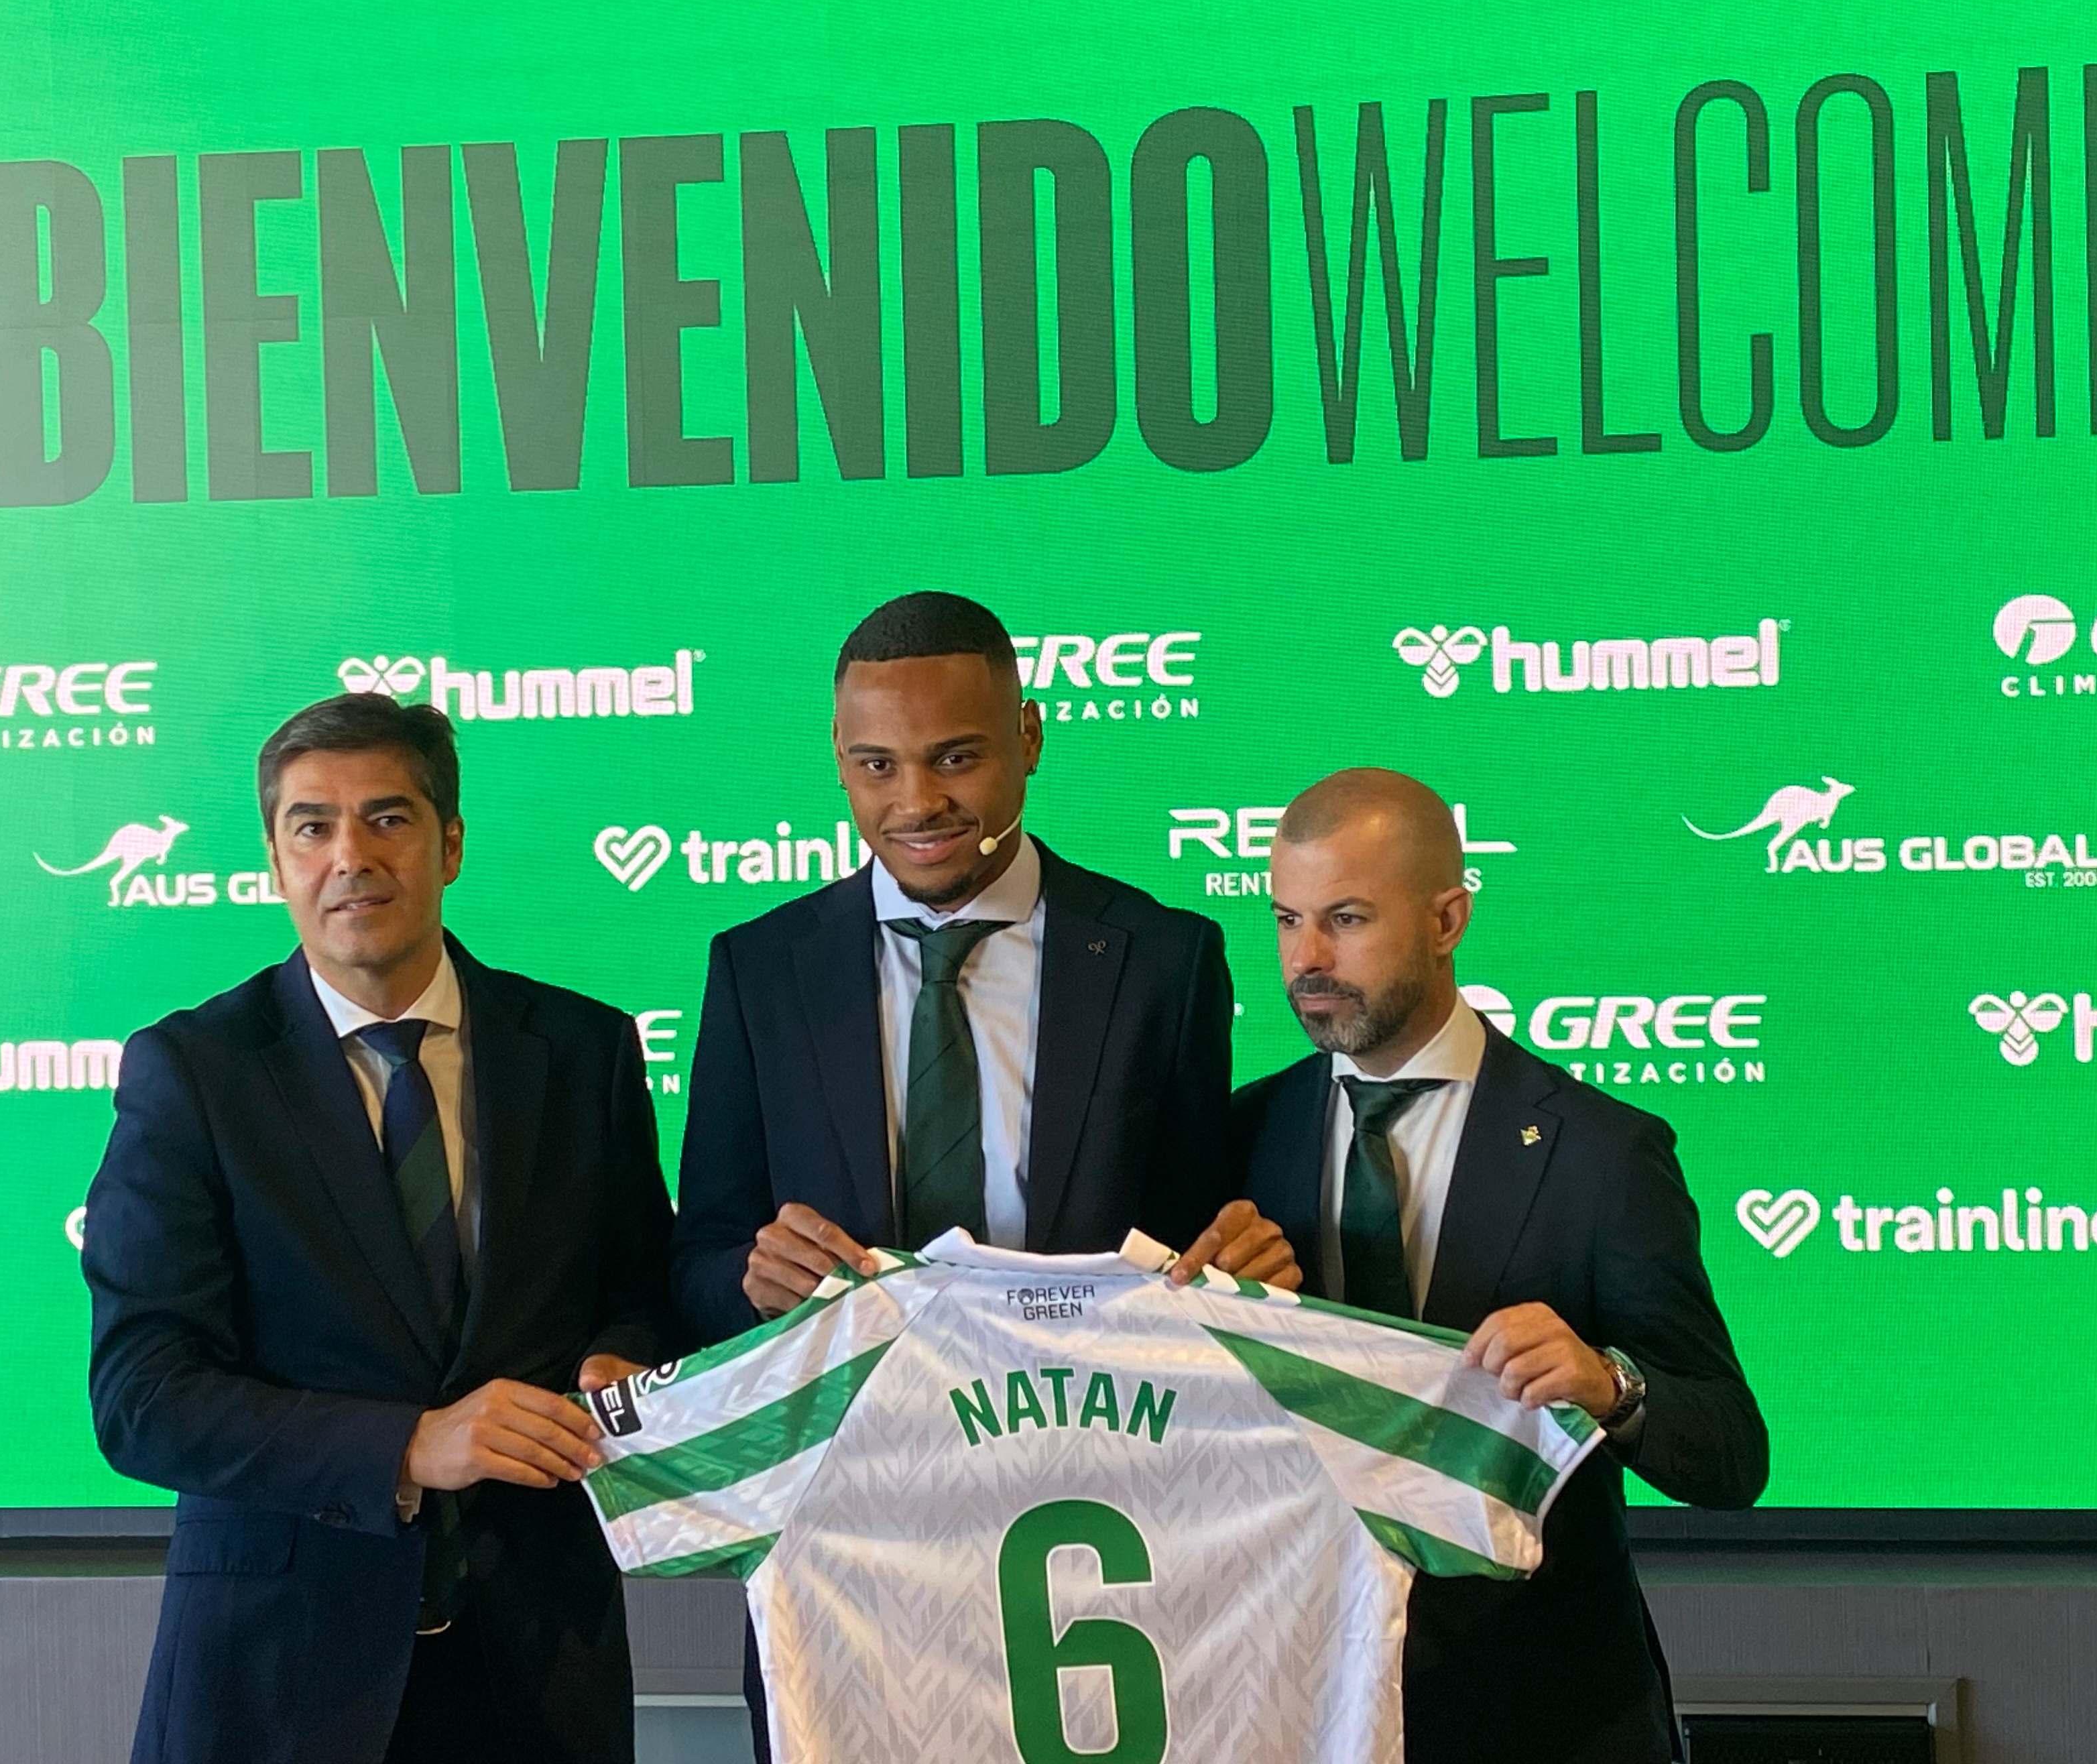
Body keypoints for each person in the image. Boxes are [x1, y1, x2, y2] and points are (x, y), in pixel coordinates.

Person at [668, 589, 1294, 1756]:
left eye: (955, 757)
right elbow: (695, 1265)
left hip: (1107, 1546)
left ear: (1030, 740)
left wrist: (1237, 1270)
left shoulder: (1162, 960)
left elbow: (1203, 1257)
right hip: (847, 1550)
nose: (916, 803)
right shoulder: (760, 971)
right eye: (876, 766)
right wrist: (746, 1280)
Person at [84, 694, 676, 1764]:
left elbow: (642, 1288)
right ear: (275, 859)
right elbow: (142, 1397)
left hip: (538, 1670)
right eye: (312, 826)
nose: (350, 855)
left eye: (387, 818)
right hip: (277, 1678)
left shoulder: (584, 1049)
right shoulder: (194, 1074)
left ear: (450, 842)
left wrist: (622, 1358)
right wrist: (407, 1445)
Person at [1228, 768, 1768, 1764]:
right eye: (1285, 920)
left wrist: (1611, 1387)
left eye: (1345, 919)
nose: (1305, 960)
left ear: (1447, 919)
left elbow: (1732, 1454)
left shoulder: (1602, 1153)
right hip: (1299, 1710)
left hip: (1547, 1717)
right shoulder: (1233, 1141)